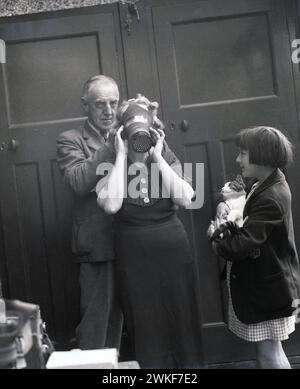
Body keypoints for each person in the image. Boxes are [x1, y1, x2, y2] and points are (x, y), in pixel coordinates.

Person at [96, 99, 204, 369]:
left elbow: (185, 198)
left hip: (173, 252)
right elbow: (111, 205)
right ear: (122, 135)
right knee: (144, 322)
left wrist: (156, 155)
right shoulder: (109, 163)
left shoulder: (166, 158)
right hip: (134, 257)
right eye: (133, 136)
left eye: (143, 135)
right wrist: (121, 155)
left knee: (181, 315)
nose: (138, 143)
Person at [212, 126, 300, 369]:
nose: (237, 159)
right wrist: (226, 206)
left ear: (262, 155)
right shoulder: (263, 183)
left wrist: (216, 236)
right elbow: (239, 196)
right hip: (269, 285)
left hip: (268, 289)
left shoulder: (271, 195)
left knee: (268, 354)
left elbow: (241, 245)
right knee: (272, 350)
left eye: (243, 153)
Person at [56, 75, 123, 350]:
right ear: (85, 105)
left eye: (114, 103)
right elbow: (79, 182)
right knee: (97, 326)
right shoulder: (70, 140)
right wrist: (114, 146)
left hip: (135, 241)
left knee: (126, 324)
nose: (109, 111)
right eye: (100, 104)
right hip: (97, 245)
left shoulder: (129, 132)